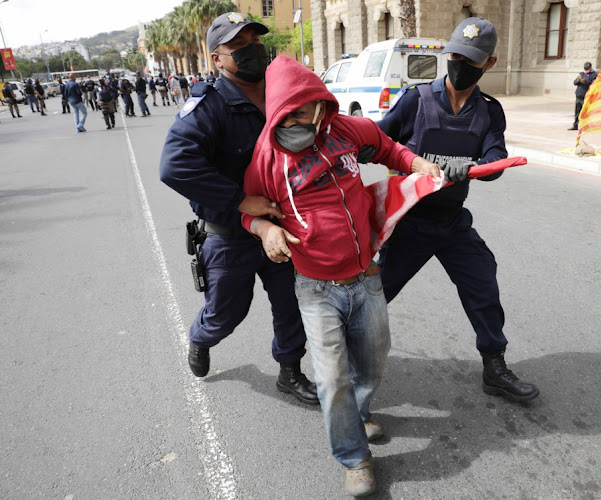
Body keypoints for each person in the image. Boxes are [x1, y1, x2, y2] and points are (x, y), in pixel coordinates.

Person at [241, 55, 441, 497]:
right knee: (331, 377)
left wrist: (416, 164)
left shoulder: (347, 132)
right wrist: (265, 227)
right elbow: (247, 209)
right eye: (283, 113)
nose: (292, 120)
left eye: (300, 110)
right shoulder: (267, 155)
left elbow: (389, 148)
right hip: (315, 288)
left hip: (367, 277)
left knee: (372, 361)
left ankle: (360, 411)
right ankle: (354, 457)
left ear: (319, 105)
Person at [376, 17, 540, 403]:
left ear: (490, 63)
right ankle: (349, 367)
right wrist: (408, 162)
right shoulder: (416, 100)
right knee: (373, 296)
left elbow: (496, 155)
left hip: (451, 222)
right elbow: (379, 140)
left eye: (472, 60)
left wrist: (478, 167)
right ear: (447, 54)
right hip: (409, 222)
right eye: (456, 55)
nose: (460, 65)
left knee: (483, 283)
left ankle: (494, 367)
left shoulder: (488, 111)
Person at [159, 13, 318, 405]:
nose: (251, 51)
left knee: (291, 304)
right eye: (238, 46)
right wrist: (240, 201)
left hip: (282, 226)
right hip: (230, 235)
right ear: (217, 59)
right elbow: (174, 166)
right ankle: (201, 337)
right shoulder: (209, 106)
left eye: (254, 42)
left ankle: (290, 371)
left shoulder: (281, 93)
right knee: (226, 314)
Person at [569, 61, 597, 130]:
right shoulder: (581, 74)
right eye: (585, 68)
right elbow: (575, 82)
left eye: (587, 68)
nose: (586, 69)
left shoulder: (593, 75)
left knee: (585, 112)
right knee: (577, 112)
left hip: (586, 96)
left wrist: (585, 81)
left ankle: (585, 126)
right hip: (579, 95)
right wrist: (578, 80)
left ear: (590, 67)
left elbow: (594, 84)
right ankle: (575, 125)